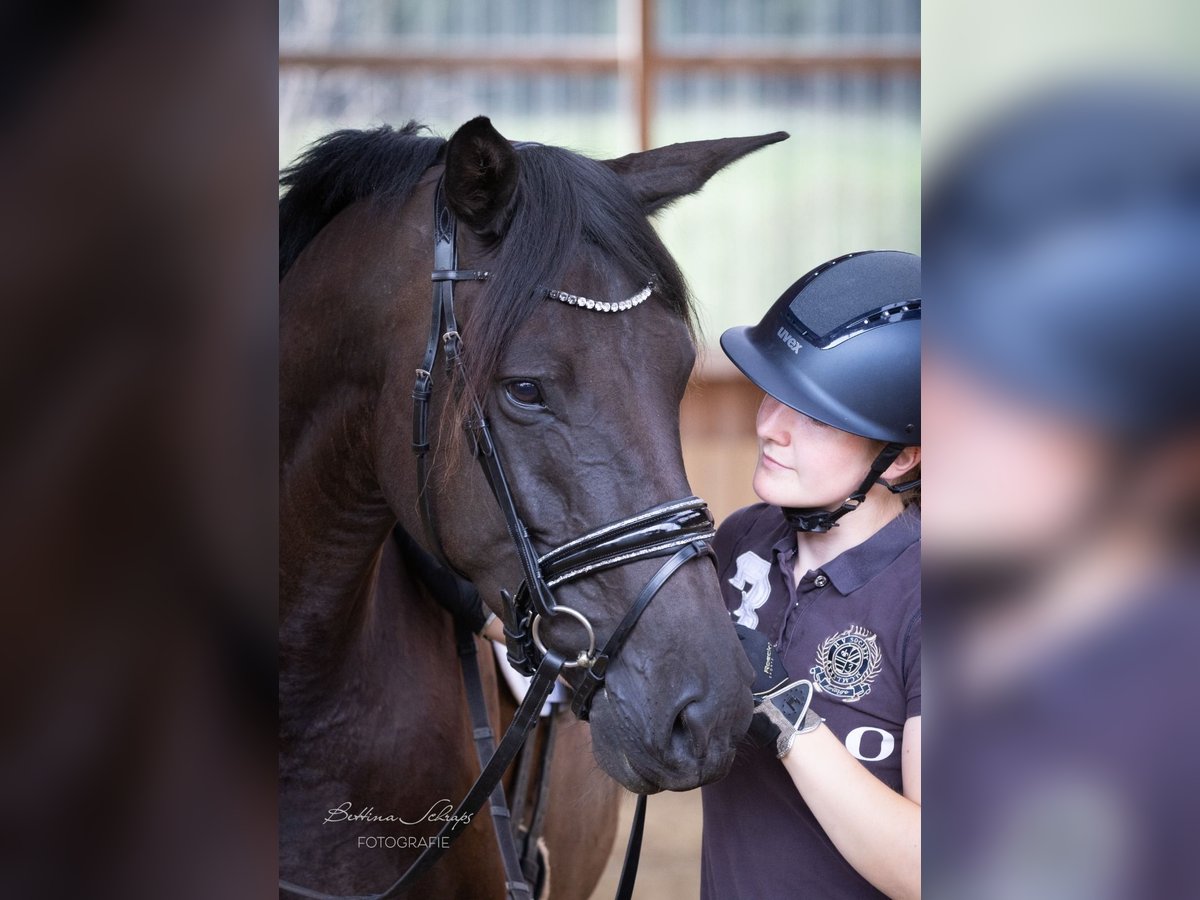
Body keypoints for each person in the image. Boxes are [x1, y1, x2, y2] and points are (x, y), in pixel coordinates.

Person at [701, 250, 922, 900]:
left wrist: (786, 710)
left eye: (817, 416)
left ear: (902, 458)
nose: (769, 427)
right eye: (775, 395)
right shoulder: (741, 540)